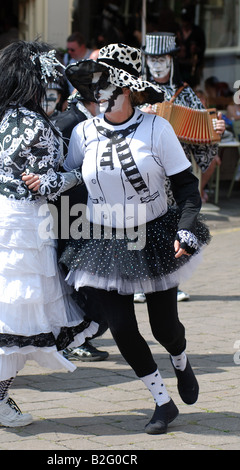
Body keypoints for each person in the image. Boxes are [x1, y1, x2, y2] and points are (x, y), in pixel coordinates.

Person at [25, 43, 211, 435]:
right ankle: (162, 402)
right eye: (93, 87)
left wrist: (187, 229)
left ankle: (180, 360)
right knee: (122, 326)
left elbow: (187, 188)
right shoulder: (82, 133)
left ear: (125, 89)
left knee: (165, 328)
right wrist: (44, 183)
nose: (97, 95)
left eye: (105, 85)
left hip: (155, 234)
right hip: (103, 239)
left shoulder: (157, 128)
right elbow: (71, 177)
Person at [0, 39, 98, 428]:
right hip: (19, 228)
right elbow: (45, 185)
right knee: (19, 323)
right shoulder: (38, 127)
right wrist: (79, 174)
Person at [142, 32, 225, 301]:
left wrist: (215, 131)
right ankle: (140, 282)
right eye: (151, 59)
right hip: (143, 169)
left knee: (172, 225)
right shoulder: (137, 91)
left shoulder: (186, 93)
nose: (156, 64)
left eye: (162, 59)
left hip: (174, 172)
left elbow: (203, 137)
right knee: (142, 225)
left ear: (171, 60)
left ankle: (171, 285)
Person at [52, 92, 109, 362]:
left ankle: (78, 335)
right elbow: (57, 169)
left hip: (90, 211)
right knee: (78, 279)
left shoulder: (88, 120)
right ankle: (74, 338)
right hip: (71, 213)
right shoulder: (69, 122)